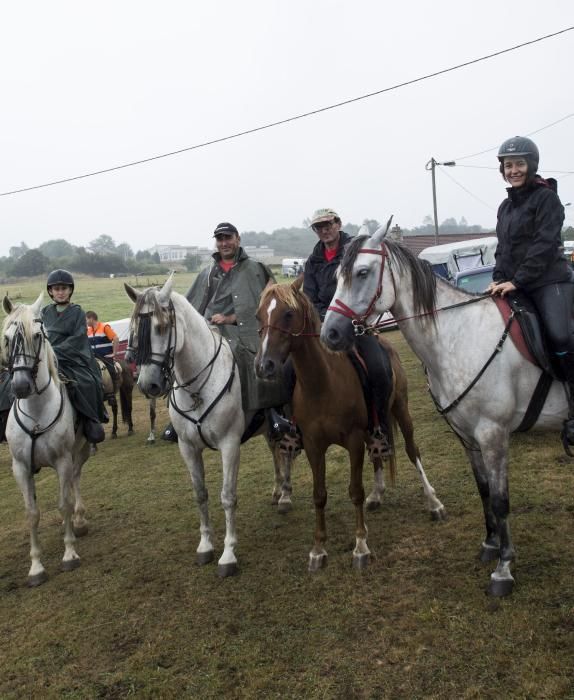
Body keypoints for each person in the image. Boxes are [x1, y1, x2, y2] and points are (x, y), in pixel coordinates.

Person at [161, 222, 290, 442]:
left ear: (238, 239)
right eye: (220, 239)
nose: (224, 243)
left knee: (255, 360)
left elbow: (273, 304)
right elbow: (191, 306)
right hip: (211, 332)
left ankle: (272, 411)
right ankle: (179, 418)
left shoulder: (257, 268)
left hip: (247, 332)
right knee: (183, 358)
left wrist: (232, 318)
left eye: (228, 238)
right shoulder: (208, 272)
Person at [487, 136, 574, 445]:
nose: (514, 170)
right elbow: (504, 249)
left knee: (561, 336)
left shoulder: (547, 199)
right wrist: (498, 277)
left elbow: (543, 244)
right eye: (508, 166)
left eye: (519, 164)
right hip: (516, 282)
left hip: (550, 280)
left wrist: (518, 280)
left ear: (531, 165)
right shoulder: (505, 207)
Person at [304, 208, 394, 450]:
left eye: (328, 224)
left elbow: (362, 286)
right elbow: (310, 298)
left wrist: (358, 318)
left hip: (356, 325)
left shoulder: (354, 250)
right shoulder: (313, 262)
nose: (324, 230)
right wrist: (323, 319)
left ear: (338, 223)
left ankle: (379, 426)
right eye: (319, 227)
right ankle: (293, 427)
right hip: (326, 325)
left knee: (378, 369)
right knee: (290, 369)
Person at [43, 270, 108, 444]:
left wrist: (54, 352)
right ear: (50, 291)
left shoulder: (78, 313)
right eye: (56, 289)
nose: (60, 292)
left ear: (70, 290)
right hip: (45, 358)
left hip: (72, 359)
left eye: (64, 288)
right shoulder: (43, 312)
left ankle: (90, 419)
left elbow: (78, 338)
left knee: (86, 382)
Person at [86, 310, 119, 388]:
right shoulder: (88, 330)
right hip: (93, 358)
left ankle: (112, 390)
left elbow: (116, 338)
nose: (86, 322)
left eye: (86, 320)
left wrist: (114, 353)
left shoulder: (104, 327)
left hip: (105, 357)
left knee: (111, 371)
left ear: (91, 318)